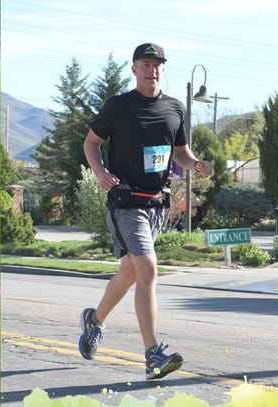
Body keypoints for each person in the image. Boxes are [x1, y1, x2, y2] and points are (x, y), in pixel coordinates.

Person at [79, 43, 213, 380]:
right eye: (145, 64)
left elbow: (180, 152)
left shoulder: (174, 108)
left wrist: (195, 164)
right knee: (149, 270)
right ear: (134, 68)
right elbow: (91, 142)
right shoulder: (118, 106)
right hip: (126, 203)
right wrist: (99, 174)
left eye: (157, 65)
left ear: (162, 70)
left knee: (130, 275)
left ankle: (94, 321)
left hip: (157, 204)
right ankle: (153, 355)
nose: (152, 70)